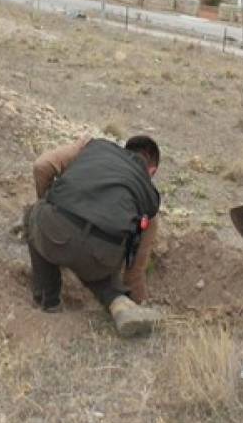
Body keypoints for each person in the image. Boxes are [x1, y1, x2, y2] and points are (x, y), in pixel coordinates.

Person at [26, 134, 163, 336]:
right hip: (99, 258)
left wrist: (48, 203)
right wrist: (140, 301)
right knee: (99, 257)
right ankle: (119, 302)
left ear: (124, 149)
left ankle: (49, 302)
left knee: (34, 214)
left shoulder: (92, 146)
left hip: (56, 232)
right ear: (152, 171)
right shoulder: (150, 204)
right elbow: (134, 271)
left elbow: (41, 166)